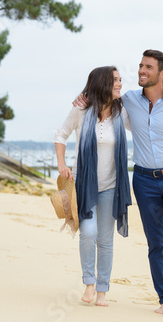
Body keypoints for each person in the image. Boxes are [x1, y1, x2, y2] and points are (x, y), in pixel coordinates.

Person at [75, 50, 163, 319]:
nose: (141, 71)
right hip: (144, 180)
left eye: (148, 67)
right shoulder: (129, 100)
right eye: (140, 66)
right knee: (155, 241)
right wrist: (83, 96)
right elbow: (100, 94)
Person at [55, 66, 132, 307]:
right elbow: (61, 135)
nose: (120, 84)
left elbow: (144, 126)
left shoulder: (123, 113)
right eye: (116, 80)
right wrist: (62, 165)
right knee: (88, 233)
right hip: (83, 185)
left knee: (106, 239)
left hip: (111, 186)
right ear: (102, 84)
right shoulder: (81, 110)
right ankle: (89, 282)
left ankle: (101, 291)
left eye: (120, 80)